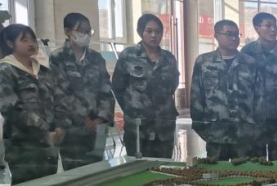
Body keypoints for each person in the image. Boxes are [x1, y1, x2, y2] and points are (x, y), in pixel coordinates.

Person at [0, 24, 67, 183]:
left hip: (49, 143)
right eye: (24, 40)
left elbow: (59, 99)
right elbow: (10, 108)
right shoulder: (5, 70)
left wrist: (59, 125)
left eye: (33, 40)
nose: (31, 44)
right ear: (10, 44)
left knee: (49, 184)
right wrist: (43, 130)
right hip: (23, 145)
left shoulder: (44, 71)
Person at [48, 13, 115, 170]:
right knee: (75, 172)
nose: (86, 35)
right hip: (72, 127)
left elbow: (106, 90)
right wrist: (83, 118)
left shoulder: (96, 58)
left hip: (97, 127)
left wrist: (100, 119)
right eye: (81, 30)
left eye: (88, 31)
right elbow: (60, 93)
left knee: (97, 169)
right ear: (68, 32)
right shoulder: (58, 57)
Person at [111, 14, 179, 159]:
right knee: (137, 166)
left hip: (164, 126)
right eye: (149, 31)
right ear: (140, 32)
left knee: (164, 166)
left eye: (158, 31)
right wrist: (133, 106)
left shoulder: (169, 58)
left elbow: (173, 85)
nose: (154, 35)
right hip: (138, 126)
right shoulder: (128, 56)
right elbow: (118, 86)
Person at [190, 20, 259, 160]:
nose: (234, 38)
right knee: (216, 171)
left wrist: (257, 128)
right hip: (216, 132)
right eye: (228, 34)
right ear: (216, 36)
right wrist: (200, 126)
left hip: (244, 133)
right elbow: (196, 96)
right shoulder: (203, 62)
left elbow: (258, 97)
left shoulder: (250, 63)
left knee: (245, 171)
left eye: (236, 34)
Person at [242, 12, 277, 160]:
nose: (273, 29)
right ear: (257, 28)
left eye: (275, 25)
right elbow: (242, 87)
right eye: (268, 26)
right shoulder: (247, 53)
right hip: (254, 119)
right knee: (256, 162)